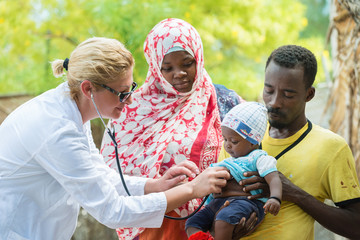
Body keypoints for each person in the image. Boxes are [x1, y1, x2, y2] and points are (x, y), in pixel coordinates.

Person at [0, 37, 232, 240]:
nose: (130, 100)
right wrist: (192, 189)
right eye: (121, 93)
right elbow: (113, 211)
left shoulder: (72, 107)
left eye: (131, 87)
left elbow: (100, 175)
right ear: (88, 88)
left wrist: (154, 186)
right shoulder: (56, 129)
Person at [100, 18, 243, 240]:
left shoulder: (224, 102)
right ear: (156, 67)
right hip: (152, 226)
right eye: (167, 68)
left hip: (214, 224)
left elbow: (249, 154)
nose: (179, 73)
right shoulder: (130, 109)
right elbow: (109, 176)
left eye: (187, 63)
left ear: (199, 57)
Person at [222, 45, 360, 239]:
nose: (274, 102)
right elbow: (215, 197)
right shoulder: (236, 138)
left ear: (309, 95)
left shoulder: (331, 148)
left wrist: (295, 194)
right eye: (268, 90)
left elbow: (356, 226)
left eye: (288, 95)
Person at [185, 102, 282, 240]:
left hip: (245, 203)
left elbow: (273, 178)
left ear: (253, 141)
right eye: (225, 139)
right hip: (218, 203)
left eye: (234, 141)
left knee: (224, 220)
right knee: (193, 222)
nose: (227, 145)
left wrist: (275, 198)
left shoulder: (258, 158)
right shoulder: (228, 161)